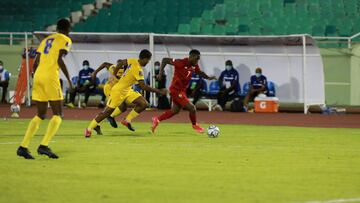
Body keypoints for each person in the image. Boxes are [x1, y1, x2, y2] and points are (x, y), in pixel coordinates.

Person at [16, 18, 73, 159]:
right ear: (68, 29)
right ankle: (44, 146)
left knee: (41, 114)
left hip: (38, 75)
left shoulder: (46, 39)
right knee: (58, 114)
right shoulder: (65, 39)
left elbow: (36, 62)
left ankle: (23, 147)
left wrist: (36, 77)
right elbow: (60, 59)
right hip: (50, 76)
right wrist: (69, 80)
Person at [85, 49, 167, 138]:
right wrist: (159, 91)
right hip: (117, 91)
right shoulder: (138, 70)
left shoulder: (132, 60)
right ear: (144, 59)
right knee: (107, 112)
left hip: (127, 90)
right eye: (148, 60)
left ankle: (127, 120)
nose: (148, 62)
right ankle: (89, 129)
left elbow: (121, 63)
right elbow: (143, 86)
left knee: (143, 103)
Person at [151, 49, 217, 134]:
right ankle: (195, 125)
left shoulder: (194, 65)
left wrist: (208, 78)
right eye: (197, 58)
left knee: (175, 111)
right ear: (191, 57)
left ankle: (157, 119)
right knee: (192, 108)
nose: (198, 61)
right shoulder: (180, 62)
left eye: (199, 59)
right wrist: (160, 74)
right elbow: (165, 60)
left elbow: (199, 72)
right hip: (176, 90)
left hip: (182, 91)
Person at [90, 59, 129, 132]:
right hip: (109, 89)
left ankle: (100, 123)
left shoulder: (117, 68)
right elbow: (105, 64)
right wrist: (95, 73)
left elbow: (105, 64)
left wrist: (95, 73)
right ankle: (100, 122)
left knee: (123, 107)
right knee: (112, 108)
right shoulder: (117, 69)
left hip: (117, 91)